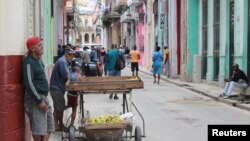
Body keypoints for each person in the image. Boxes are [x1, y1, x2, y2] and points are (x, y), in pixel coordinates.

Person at [22, 36, 54, 141]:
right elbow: (29, 83)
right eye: (39, 45)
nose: (42, 47)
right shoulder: (28, 62)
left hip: (43, 97)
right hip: (35, 100)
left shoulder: (39, 60)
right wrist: (39, 100)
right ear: (32, 49)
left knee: (49, 126)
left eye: (42, 45)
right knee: (38, 130)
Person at [50, 48, 76, 131]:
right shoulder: (62, 62)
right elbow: (66, 75)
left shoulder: (63, 61)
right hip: (57, 89)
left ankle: (56, 125)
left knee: (57, 107)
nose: (72, 58)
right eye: (71, 56)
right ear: (67, 55)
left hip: (56, 88)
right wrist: (76, 76)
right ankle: (60, 125)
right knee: (60, 108)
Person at [66, 60, 84, 127]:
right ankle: (71, 124)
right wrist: (79, 75)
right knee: (74, 109)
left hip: (70, 94)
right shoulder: (76, 75)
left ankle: (71, 123)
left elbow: (67, 83)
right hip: (74, 95)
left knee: (70, 106)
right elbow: (82, 82)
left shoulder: (70, 74)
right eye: (79, 67)